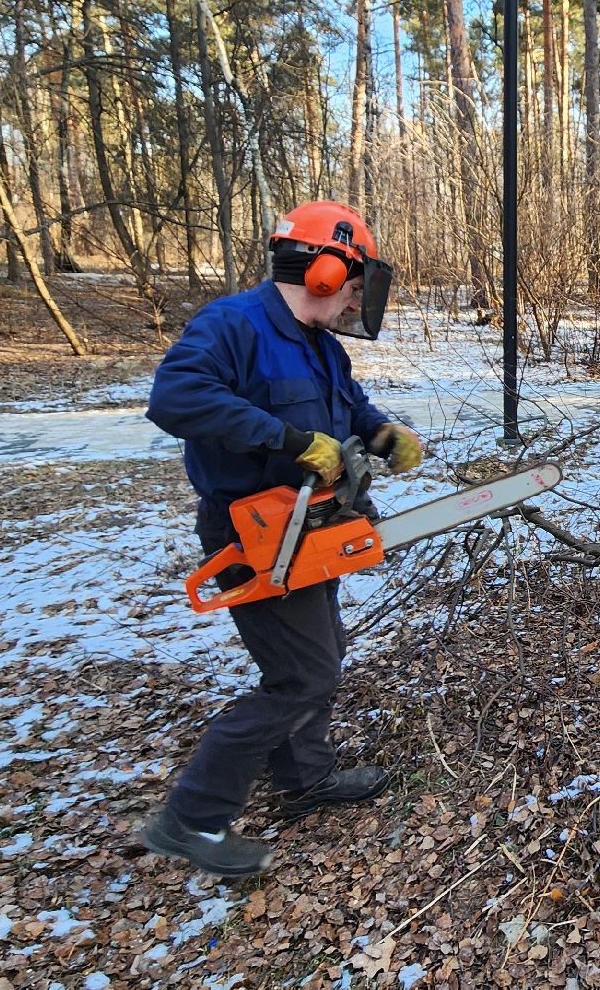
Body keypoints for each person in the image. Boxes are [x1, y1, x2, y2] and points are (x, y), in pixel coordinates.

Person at [138, 200, 424, 877]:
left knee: (325, 648)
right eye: (354, 286)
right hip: (252, 529)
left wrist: (382, 433)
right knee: (302, 674)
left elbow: (348, 406)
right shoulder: (233, 326)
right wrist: (288, 439)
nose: (356, 301)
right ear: (325, 272)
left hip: (311, 523)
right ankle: (191, 818)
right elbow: (173, 399)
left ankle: (306, 776)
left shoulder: (320, 344)